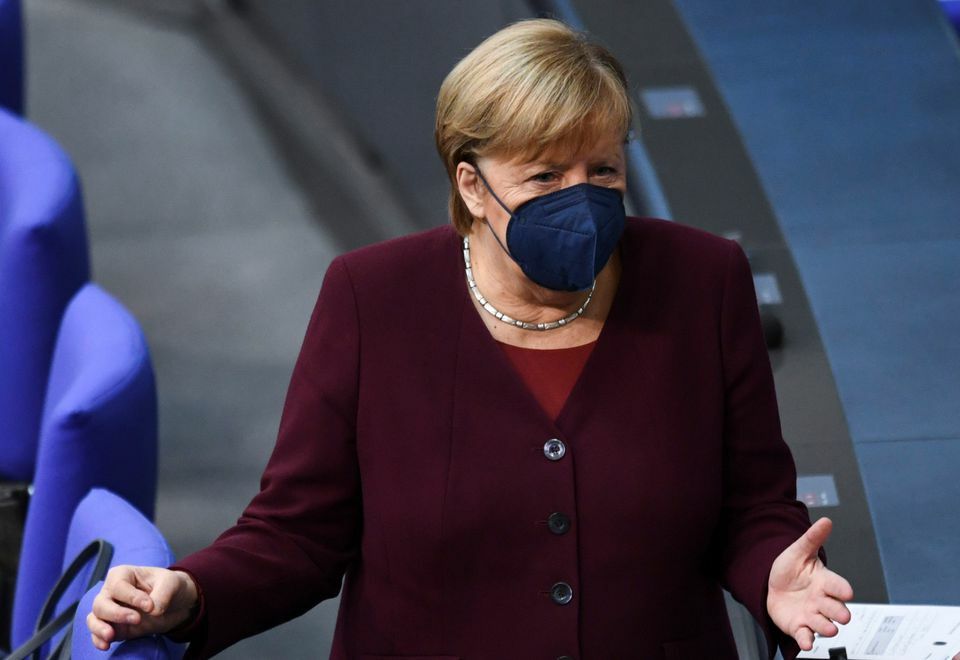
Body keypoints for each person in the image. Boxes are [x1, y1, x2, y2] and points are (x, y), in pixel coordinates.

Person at [87, 18, 853, 659]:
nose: (580, 200)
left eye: (604, 169)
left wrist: (771, 577)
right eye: (545, 177)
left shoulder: (703, 280)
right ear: (470, 184)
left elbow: (750, 506)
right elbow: (299, 535)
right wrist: (192, 592)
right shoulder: (371, 298)